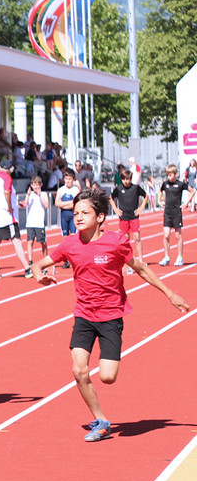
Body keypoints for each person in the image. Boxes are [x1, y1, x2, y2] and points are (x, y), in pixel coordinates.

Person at [31, 187, 189, 441]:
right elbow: (39, 264)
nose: (79, 217)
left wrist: (170, 294)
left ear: (100, 217)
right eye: (76, 213)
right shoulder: (70, 244)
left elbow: (141, 269)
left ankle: (103, 414)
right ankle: (101, 421)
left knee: (107, 376)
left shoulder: (116, 242)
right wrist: (38, 275)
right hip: (83, 315)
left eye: (85, 212)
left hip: (111, 316)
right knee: (79, 370)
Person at [0, 158, 31, 277]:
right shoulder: (6, 178)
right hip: (7, 216)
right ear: (9, 169)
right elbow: (7, 192)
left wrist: (16, 203)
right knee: (16, 240)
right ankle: (27, 268)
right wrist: (10, 206)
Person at [111, 165, 147, 262]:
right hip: (123, 217)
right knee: (125, 239)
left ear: (131, 179)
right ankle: (127, 259)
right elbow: (111, 198)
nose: (126, 181)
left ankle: (140, 259)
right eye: (124, 179)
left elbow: (145, 196)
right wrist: (115, 209)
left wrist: (142, 207)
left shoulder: (135, 188)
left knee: (137, 237)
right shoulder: (118, 189)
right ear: (121, 179)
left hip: (134, 216)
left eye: (128, 179)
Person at [158, 163, 186, 266]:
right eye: (167, 175)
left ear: (175, 174)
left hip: (177, 213)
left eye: (170, 175)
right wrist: (159, 200)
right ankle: (166, 257)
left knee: (178, 235)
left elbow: (192, 191)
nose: (168, 177)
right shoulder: (165, 184)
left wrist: (186, 203)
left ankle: (180, 257)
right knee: (166, 235)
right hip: (167, 212)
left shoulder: (180, 184)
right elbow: (160, 192)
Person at [22, 176, 49, 267]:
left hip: (39, 223)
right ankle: (30, 261)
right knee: (30, 241)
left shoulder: (44, 194)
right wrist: (28, 195)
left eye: (37, 185)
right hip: (30, 222)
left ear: (41, 185)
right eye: (34, 185)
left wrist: (40, 194)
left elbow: (47, 205)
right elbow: (25, 205)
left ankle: (46, 259)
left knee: (43, 242)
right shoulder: (30, 195)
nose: (35, 187)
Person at [55, 169, 80, 240]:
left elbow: (75, 204)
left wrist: (62, 204)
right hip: (63, 216)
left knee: (73, 236)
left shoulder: (76, 190)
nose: (68, 181)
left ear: (73, 179)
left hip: (73, 216)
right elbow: (57, 203)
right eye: (66, 179)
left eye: (70, 179)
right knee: (65, 237)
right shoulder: (61, 190)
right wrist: (70, 202)